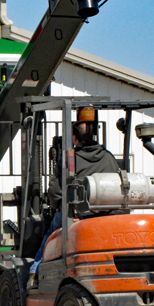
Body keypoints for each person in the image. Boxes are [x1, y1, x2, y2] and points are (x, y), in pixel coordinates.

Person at [27, 108, 119, 289]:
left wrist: (58, 205)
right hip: (107, 215)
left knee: (50, 231)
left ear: (75, 138)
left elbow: (55, 192)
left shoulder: (71, 159)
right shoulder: (109, 158)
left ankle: (34, 273)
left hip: (78, 215)